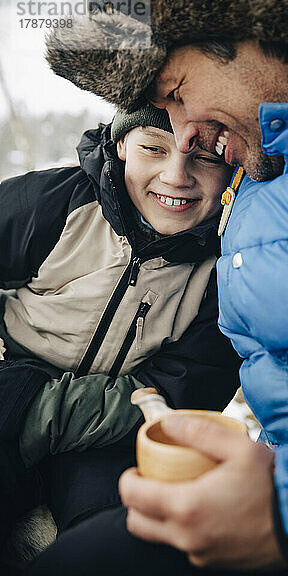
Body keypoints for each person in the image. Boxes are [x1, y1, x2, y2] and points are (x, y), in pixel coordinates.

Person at [26, 0, 288, 574]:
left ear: (249, 23)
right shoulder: (255, 165)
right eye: (158, 122)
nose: (184, 134)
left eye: (176, 91)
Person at [0, 103, 241, 572]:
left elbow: (183, 391)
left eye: (206, 156)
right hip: (11, 382)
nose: (176, 176)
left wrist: (41, 410)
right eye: (154, 148)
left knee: (118, 535)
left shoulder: (224, 269)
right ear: (120, 145)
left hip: (117, 429)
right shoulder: (56, 202)